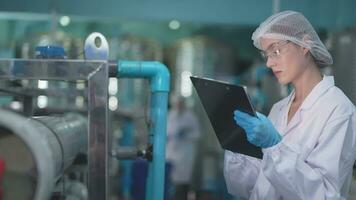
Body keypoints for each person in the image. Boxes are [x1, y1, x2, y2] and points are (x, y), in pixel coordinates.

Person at [224, 10, 356, 199]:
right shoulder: (279, 108)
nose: (269, 63)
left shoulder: (338, 110)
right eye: (266, 55)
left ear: (305, 45)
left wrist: (275, 147)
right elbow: (250, 187)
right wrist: (236, 145)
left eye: (275, 51)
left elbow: (324, 195)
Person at [166, 96, 200, 200]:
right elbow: (167, 131)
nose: (179, 105)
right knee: (170, 179)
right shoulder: (171, 115)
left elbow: (198, 134)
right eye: (177, 103)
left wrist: (186, 135)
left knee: (183, 181)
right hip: (172, 151)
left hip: (185, 153)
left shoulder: (190, 117)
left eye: (181, 103)